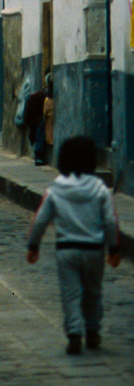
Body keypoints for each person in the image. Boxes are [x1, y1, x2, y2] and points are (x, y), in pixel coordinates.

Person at [26, 135, 120, 355]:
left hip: (66, 249)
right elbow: (110, 220)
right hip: (94, 250)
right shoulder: (100, 189)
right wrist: (114, 248)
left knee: (70, 293)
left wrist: (33, 245)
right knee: (93, 293)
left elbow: (40, 220)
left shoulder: (55, 189)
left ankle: (75, 333)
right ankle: (94, 330)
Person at [23, 81, 47, 165]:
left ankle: (39, 154)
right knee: (41, 127)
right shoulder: (38, 97)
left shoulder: (41, 96)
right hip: (37, 122)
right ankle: (39, 155)